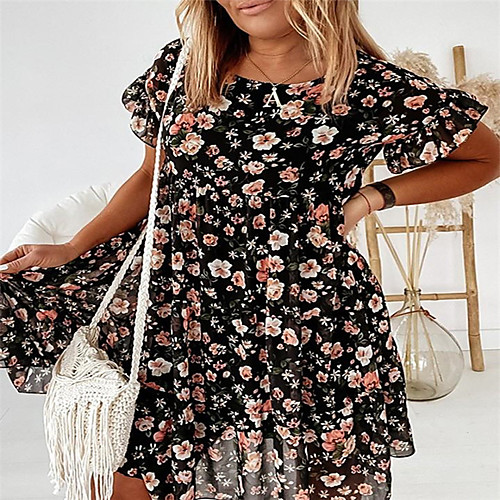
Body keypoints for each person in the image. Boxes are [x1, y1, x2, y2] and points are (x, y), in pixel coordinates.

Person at [1, 1, 498, 499]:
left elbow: (485, 158)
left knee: (307, 471)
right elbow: (152, 176)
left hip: (303, 315)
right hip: (178, 306)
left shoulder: (369, 86)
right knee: (130, 465)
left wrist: (373, 197)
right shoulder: (186, 67)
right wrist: (73, 246)